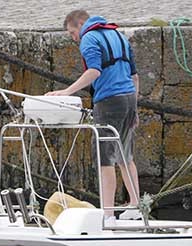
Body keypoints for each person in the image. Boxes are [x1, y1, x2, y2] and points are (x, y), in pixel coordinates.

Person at [47, 9, 141, 219]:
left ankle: (107, 215)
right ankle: (135, 205)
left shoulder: (88, 38)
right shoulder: (119, 35)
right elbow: (135, 77)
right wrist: (134, 109)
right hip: (127, 99)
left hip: (108, 101)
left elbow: (94, 71)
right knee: (125, 156)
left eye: (72, 33)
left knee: (105, 159)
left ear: (80, 24)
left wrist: (65, 91)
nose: (74, 38)